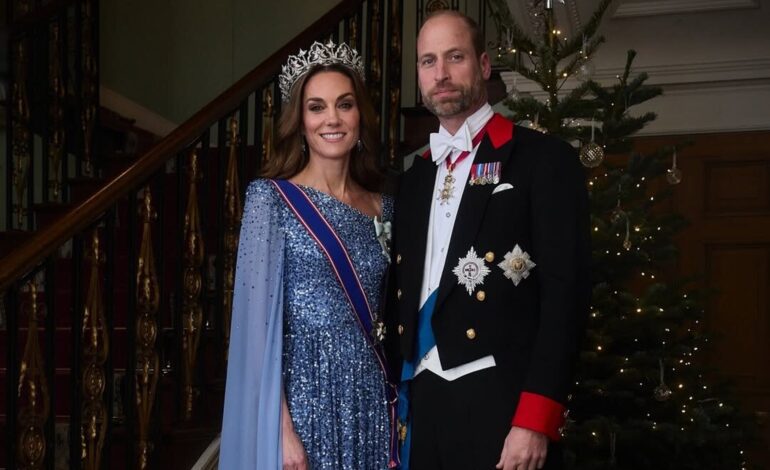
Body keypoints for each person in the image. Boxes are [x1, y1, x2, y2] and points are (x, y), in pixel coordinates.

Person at [388, 10, 591, 470]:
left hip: (501, 404)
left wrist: (535, 419)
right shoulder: (414, 176)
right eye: (427, 61)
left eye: (454, 57)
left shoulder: (542, 160)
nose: (440, 74)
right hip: (423, 401)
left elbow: (566, 296)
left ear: (482, 65)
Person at [220, 40, 397, 470]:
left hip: (372, 400)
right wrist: (281, 431)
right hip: (304, 402)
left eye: (345, 104)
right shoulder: (271, 200)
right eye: (317, 107)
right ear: (299, 122)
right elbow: (255, 331)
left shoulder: (386, 205)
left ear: (360, 116)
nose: (332, 119)